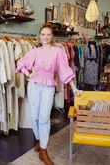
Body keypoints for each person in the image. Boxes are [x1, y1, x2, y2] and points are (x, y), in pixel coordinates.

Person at [15, 23, 83, 165]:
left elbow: (65, 69)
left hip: (48, 87)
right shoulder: (34, 51)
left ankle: (44, 151)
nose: (45, 37)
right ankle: (40, 140)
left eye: (48, 34)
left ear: (52, 36)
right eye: (43, 34)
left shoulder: (58, 52)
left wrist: (74, 88)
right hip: (34, 85)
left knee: (44, 117)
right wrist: (28, 72)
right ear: (40, 36)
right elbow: (21, 63)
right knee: (34, 117)